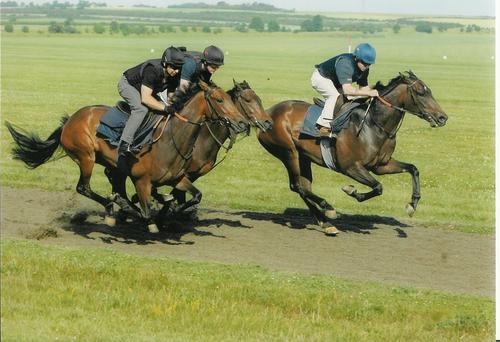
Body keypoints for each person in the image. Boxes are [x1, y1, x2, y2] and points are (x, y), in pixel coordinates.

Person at [117, 46, 185, 157]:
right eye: (174, 67)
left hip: (146, 89)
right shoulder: (152, 70)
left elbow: (171, 96)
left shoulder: (175, 74)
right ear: (165, 63)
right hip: (128, 85)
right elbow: (146, 99)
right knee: (141, 109)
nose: (176, 71)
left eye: (179, 68)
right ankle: (124, 144)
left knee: (163, 110)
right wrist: (165, 107)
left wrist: (174, 106)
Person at [312, 43, 379, 137]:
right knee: (335, 96)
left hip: (336, 83)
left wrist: (373, 96)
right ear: (357, 58)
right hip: (321, 78)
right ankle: (323, 126)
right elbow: (347, 90)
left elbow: (364, 87)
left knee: (351, 99)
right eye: (364, 63)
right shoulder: (345, 63)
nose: (366, 66)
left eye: (369, 64)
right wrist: (369, 92)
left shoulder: (364, 69)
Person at [170, 45, 225, 110]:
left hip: (184, 78)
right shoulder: (190, 64)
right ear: (205, 62)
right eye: (213, 67)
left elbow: (202, 89)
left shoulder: (208, 69)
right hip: (168, 80)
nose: (215, 70)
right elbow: (183, 90)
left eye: (217, 67)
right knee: (172, 103)